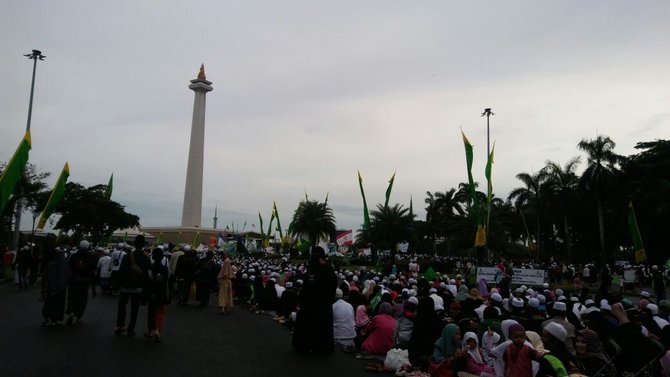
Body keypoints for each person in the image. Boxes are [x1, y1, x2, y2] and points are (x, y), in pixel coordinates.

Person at [292, 246, 338, 354]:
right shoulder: (315, 270)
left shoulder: (324, 270)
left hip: (318, 304)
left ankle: (312, 346)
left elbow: (331, 283)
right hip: (315, 305)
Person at [115, 235, 150, 336]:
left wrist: (117, 285)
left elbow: (121, 271)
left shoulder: (127, 256)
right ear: (143, 245)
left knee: (122, 306)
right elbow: (147, 275)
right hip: (138, 288)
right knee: (134, 309)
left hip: (125, 286)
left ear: (134, 244)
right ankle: (131, 329)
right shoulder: (146, 258)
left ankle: (120, 326)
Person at [65, 240, 97, 325]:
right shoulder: (91, 257)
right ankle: (79, 317)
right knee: (82, 300)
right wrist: (93, 288)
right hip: (85, 283)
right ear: (88, 247)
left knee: (72, 298)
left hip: (74, 281)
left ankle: (71, 313)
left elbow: (68, 269)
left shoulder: (73, 256)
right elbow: (93, 272)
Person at [41, 248, 71, 325]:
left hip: (51, 287)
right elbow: (68, 276)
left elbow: (44, 275)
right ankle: (55, 319)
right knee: (59, 304)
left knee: (49, 302)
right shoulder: (65, 266)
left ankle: (47, 316)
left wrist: (44, 286)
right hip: (61, 288)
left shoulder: (50, 264)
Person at [145, 247, 169, 343]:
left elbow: (148, 281)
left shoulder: (150, 268)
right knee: (160, 312)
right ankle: (157, 331)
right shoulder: (165, 269)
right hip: (161, 293)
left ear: (153, 257)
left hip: (151, 293)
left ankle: (151, 330)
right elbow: (167, 281)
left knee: (151, 311)